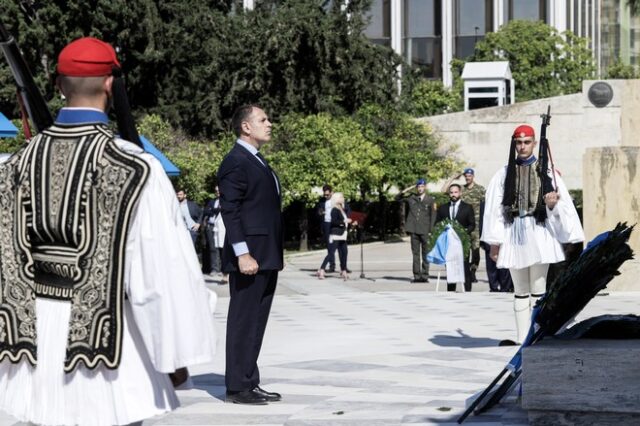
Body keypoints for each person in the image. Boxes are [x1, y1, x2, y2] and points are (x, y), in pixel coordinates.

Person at [0, 37, 216, 425]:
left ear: (58, 85)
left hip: (32, 345)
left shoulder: (13, 167)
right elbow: (159, 276)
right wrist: (173, 357)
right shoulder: (136, 168)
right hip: (109, 346)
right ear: (110, 85)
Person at [482, 124, 584, 344]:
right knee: (520, 290)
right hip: (514, 233)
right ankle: (521, 340)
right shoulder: (503, 173)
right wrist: (495, 243)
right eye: (518, 142)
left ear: (534, 144)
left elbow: (562, 209)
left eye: (526, 142)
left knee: (538, 288)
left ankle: (536, 336)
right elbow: (495, 211)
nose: (522, 146)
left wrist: (552, 204)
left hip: (539, 233)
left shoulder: (546, 172)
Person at [218, 104, 283, 405]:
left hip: (266, 255)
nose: (269, 124)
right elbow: (230, 212)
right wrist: (242, 254)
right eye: (263, 120)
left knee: (257, 321)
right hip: (251, 257)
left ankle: (248, 380)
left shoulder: (256, 160)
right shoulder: (236, 161)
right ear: (246, 127)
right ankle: (236, 386)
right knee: (244, 320)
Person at [443, 168, 485, 283]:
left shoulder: (480, 189)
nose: (468, 177)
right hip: (463, 226)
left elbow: (486, 205)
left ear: (473, 176)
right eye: (466, 176)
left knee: (476, 250)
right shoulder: (461, 190)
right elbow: (444, 190)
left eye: (469, 176)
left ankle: (472, 271)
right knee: (465, 251)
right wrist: (452, 178)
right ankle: (465, 272)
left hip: (476, 226)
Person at [435, 184, 475, 292]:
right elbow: (437, 224)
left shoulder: (467, 207)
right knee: (450, 268)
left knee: (465, 267)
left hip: (462, 243)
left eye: (455, 192)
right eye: (451, 192)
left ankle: (467, 290)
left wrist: (463, 232)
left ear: (460, 193)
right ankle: (451, 291)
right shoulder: (443, 208)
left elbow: (472, 224)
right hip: (449, 244)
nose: (453, 194)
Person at [398, 178, 436, 283]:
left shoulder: (430, 200)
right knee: (415, 254)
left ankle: (424, 275)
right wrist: (408, 189)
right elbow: (397, 198)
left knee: (425, 254)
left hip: (425, 230)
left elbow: (433, 216)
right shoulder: (412, 198)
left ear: (425, 187)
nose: (420, 189)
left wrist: (431, 230)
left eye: (422, 186)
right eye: (418, 187)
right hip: (414, 230)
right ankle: (416, 276)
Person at [317, 192, 353, 280]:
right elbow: (334, 222)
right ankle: (321, 269)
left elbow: (344, 220)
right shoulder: (334, 210)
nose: (343, 198)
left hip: (343, 234)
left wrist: (351, 222)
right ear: (337, 199)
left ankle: (343, 270)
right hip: (336, 234)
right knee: (331, 253)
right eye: (341, 197)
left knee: (344, 252)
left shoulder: (341, 209)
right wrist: (344, 222)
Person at [203, 185, 225, 278]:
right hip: (211, 227)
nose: (217, 192)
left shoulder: (226, 201)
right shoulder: (212, 201)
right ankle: (214, 269)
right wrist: (214, 210)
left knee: (222, 248)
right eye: (216, 191)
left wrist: (214, 210)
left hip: (222, 227)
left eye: (219, 190)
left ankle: (223, 269)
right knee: (213, 248)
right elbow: (206, 211)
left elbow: (221, 210)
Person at [315, 184, 336, 272]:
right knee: (329, 245)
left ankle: (344, 267)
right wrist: (320, 212)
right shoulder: (322, 201)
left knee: (340, 246)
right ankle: (332, 265)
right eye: (325, 195)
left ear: (332, 192)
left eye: (328, 194)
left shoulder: (336, 200)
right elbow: (317, 212)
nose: (326, 196)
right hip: (327, 224)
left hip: (336, 224)